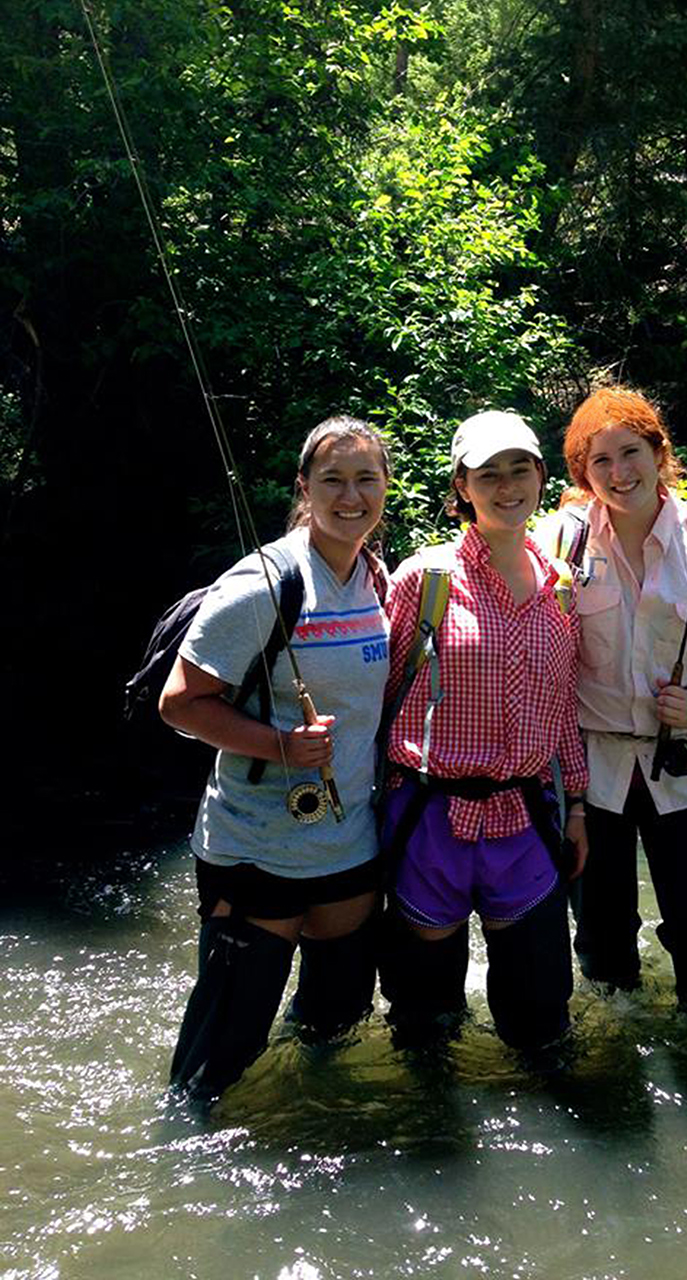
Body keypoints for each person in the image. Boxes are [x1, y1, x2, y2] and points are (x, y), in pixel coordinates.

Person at [160, 415, 391, 1101]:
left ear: (385, 488)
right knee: (219, 1056)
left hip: (348, 847)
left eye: (365, 480)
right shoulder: (266, 583)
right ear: (304, 487)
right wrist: (280, 746)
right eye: (333, 481)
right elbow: (178, 703)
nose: (351, 497)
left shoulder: (372, 576)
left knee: (334, 1026)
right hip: (256, 847)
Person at [551, 386, 687, 1012]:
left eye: (631, 452)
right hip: (593, 776)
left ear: (659, 452)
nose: (620, 473)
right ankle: (614, 1045)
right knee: (599, 938)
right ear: (583, 474)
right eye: (601, 461)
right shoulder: (560, 543)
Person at [378, 410, 588, 1057]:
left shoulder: (561, 586)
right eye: (487, 474)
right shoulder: (425, 579)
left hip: (524, 819)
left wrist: (577, 806)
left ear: (541, 477)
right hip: (428, 818)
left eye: (518, 469)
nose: (506, 486)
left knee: (540, 1020)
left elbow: (564, 708)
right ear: (461, 488)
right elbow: (377, 694)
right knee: (423, 1023)